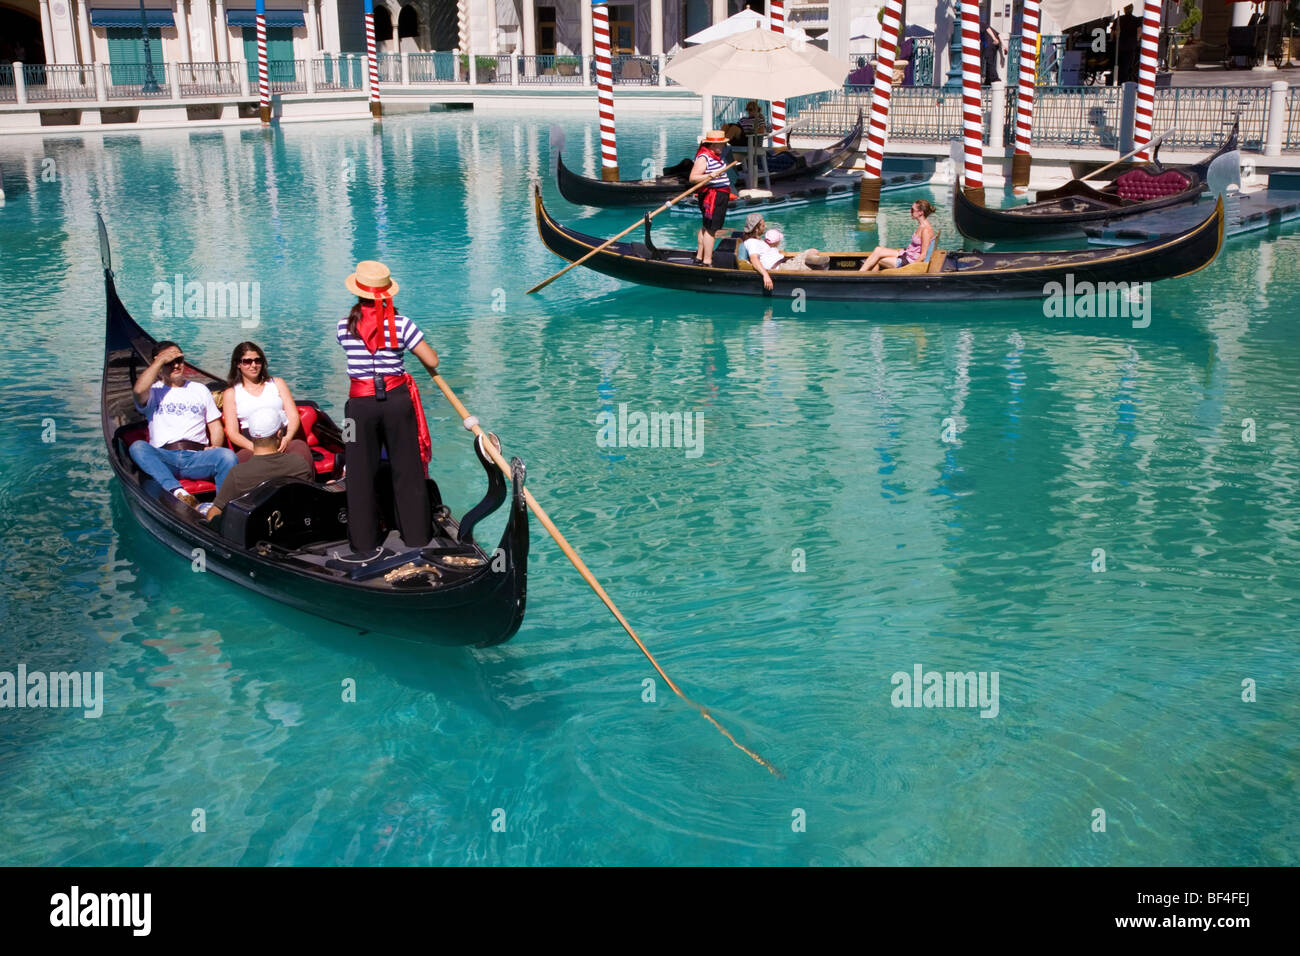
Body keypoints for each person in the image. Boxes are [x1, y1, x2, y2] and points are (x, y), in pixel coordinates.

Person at [337, 260, 441, 556]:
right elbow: (432, 361)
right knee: (407, 469)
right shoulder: (402, 324)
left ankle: (363, 543)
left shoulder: (343, 326)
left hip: (358, 407)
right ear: (386, 294)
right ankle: (417, 538)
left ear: (358, 293)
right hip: (397, 402)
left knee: (358, 473)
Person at [129, 341, 238, 508]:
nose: (176, 365)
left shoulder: (200, 389)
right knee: (137, 447)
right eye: (169, 362)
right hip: (164, 456)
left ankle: (221, 509)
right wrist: (159, 361)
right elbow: (138, 391)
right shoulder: (153, 391)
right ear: (159, 365)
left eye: (179, 360)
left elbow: (215, 425)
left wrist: (215, 445)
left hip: (197, 457)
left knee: (227, 456)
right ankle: (178, 492)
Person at [204, 406, 314, 523]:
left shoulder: (238, 474)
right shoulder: (299, 464)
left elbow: (215, 513)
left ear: (251, 435)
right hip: (293, 523)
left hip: (255, 530)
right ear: (279, 433)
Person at [221, 340, 314, 471]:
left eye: (257, 360)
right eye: (247, 361)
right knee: (241, 461)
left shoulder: (277, 383)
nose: (253, 365)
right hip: (253, 443)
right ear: (238, 364)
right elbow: (232, 432)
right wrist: (255, 448)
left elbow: (293, 416)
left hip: (283, 438)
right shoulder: (231, 393)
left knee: (301, 451)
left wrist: (287, 438)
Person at [690, 130, 733, 267]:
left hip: (718, 194)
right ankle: (707, 260)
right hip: (713, 195)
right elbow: (693, 178)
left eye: (723, 144)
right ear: (711, 145)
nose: (722, 147)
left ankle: (699, 256)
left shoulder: (715, 155)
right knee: (711, 229)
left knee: (707, 227)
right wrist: (709, 176)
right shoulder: (704, 157)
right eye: (719, 145)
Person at [859, 199, 938, 272]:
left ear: (920, 212)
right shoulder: (922, 226)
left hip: (909, 261)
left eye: (912, 210)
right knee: (878, 250)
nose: (910, 211)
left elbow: (923, 255)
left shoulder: (926, 230)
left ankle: (860, 276)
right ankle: (861, 274)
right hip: (906, 254)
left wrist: (910, 268)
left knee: (877, 259)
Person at [743, 227, 824, 291]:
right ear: (776, 242)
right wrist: (765, 275)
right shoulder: (752, 243)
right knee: (814, 267)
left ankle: (811, 259)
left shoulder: (764, 245)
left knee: (813, 250)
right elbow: (754, 259)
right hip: (782, 267)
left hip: (786, 262)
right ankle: (812, 261)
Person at [1112, 5, 1142, 84]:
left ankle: (1119, 80)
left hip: (1120, 45)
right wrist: (1137, 40)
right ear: (1132, 9)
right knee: (1128, 64)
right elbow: (1139, 31)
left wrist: (1113, 39)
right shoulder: (1136, 20)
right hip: (1131, 45)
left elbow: (1113, 32)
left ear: (1124, 9)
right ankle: (1125, 80)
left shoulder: (1118, 19)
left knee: (1119, 64)